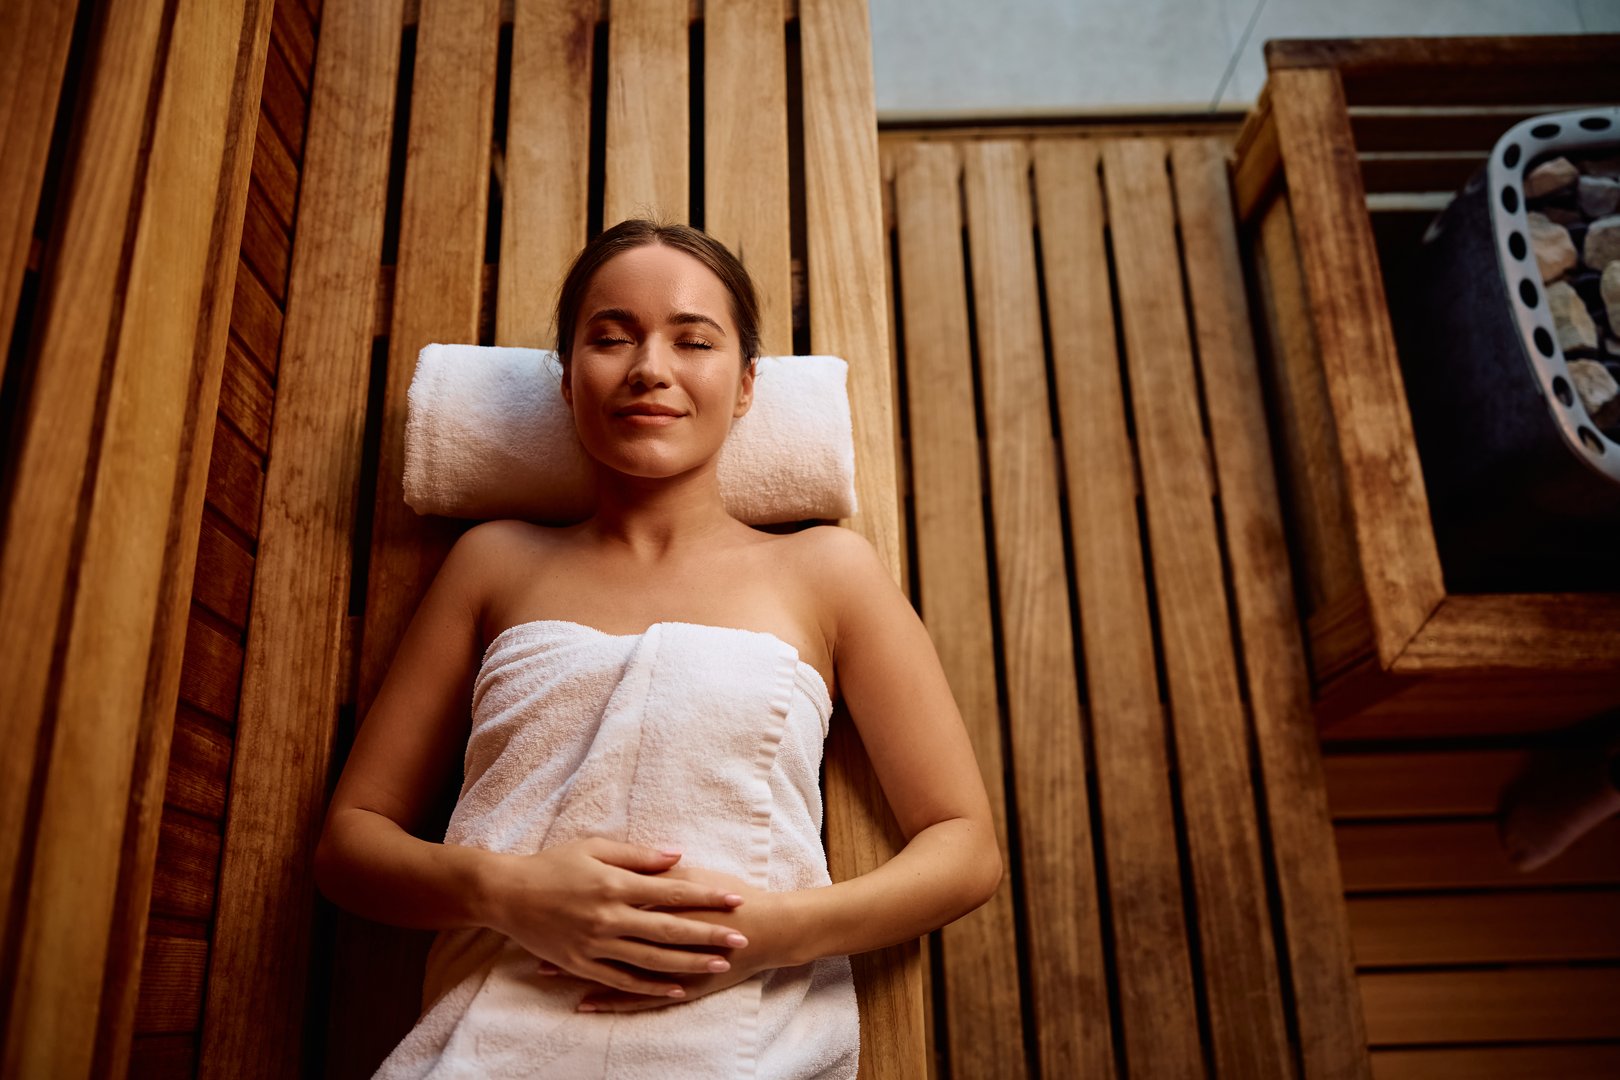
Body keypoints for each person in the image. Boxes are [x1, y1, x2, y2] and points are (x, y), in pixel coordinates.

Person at [313, 220, 1001, 1078]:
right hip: (492, 1040)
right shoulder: (494, 561)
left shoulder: (826, 571)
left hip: (740, 1038)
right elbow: (351, 845)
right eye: (610, 336)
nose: (649, 366)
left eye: (694, 339)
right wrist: (511, 894)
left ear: (747, 385)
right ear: (567, 383)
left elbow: (965, 845)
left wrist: (765, 931)